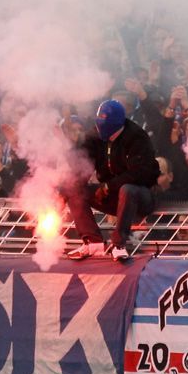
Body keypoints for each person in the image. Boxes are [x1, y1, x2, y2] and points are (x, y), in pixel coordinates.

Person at [63, 99, 159, 262]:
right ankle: (92, 242)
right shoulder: (95, 135)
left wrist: (109, 185)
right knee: (74, 188)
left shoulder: (137, 137)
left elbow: (140, 174)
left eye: (104, 123)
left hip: (140, 197)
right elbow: (83, 165)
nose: (101, 128)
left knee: (127, 189)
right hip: (110, 196)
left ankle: (119, 244)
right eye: (99, 122)